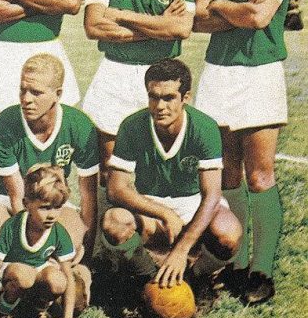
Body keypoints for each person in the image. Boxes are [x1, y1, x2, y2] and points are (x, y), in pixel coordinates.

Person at [192, 0, 293, 304]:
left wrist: (220, 5)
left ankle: (262, 270)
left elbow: (260, 16)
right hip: (218, 73)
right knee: (227, 174)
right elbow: (197, 19)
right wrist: (234, 8)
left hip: (259, 73)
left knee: (260, 175)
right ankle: (233, 263)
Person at [98, 59, 242, 295]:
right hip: (150, 207)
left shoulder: (204, 127)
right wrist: (165, 213)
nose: (160, 106)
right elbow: (116, 189)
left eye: (169, 98)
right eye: (153, 97)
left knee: (229, 233)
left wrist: (181, 250)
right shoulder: (132, 126)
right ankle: (148, 279)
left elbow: (212, 196)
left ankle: (196, 278)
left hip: (194, 204)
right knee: (114, 222)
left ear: (186, 98)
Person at [82, 0, 195, 189]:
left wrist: (120, 14)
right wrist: (159, 24)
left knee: (158, 167)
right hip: (115, 72)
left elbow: (182, 28)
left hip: (163, 77)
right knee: (111, 169)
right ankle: (110, 221)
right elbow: (93, 26)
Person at [0, 54, 99, 262]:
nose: (26, 99)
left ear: (58, 94)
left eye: (36, 92)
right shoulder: (1, 127)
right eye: (23, 90)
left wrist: (86, 250)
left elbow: (88, 196)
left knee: (73, 237)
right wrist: (34, 250)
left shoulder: (80, 126)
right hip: (7, 198)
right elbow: (17, 196)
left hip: (53, 200)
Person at [0, 165, 88, 318]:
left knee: (58, 281)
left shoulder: (59, 232)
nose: (52, 215)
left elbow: (68, 277)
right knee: (24, 276)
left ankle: (37, 308)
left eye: (57, 207)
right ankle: (1, 311)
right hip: (12, 271)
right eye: (44, 207)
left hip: (38, 270)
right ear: (27, 203)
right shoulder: (12, 227)